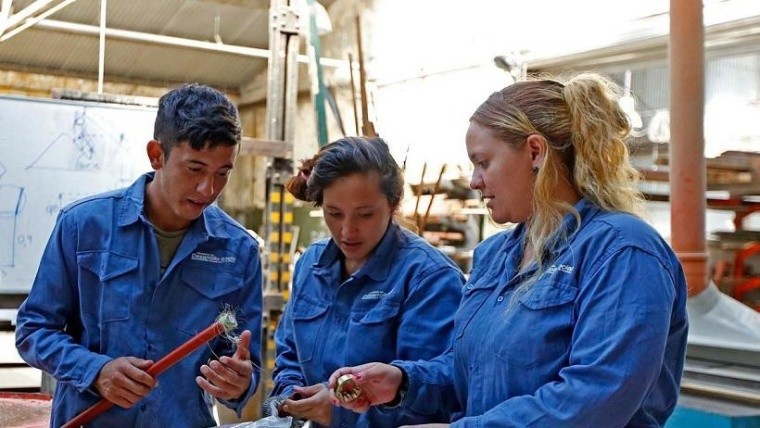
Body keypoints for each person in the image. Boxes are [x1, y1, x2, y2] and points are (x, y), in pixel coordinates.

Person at [328, 73, 689, 427]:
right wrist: (404, 382)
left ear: (535, 151)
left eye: (483, 162)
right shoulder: (495, 255)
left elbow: (596, 397)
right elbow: (472, 373)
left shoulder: (622, 250)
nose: (474, 182)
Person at [15, 83, 263, 427]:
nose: (208, 189)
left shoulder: (239, 251)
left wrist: (237, 383)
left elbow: (245, 365)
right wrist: (95, 370)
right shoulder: (83, 226)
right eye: (195, 169)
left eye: (223, 173)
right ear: (156, 155)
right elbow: (34, 329)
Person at [265, 136, 465, 427]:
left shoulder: (429, 278)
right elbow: (289, 353)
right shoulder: (311, 264)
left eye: (365, 214)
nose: (348, 231)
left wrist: (340, 413)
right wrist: (292, 396)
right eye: (334, 214)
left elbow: (436, 394)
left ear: (393, 204)